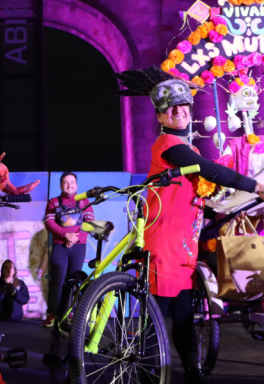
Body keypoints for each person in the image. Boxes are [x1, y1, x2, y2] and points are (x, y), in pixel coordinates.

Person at [116, 69, 264, 383]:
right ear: (160, 116)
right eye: (172, 108)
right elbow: (210, 172)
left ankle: (193, 371)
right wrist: (254, 186)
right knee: (156, 319)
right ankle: (147, 372)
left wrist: (231, 210)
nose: (181, 111)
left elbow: (196, 199)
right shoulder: (168, 145)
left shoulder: (192, 151)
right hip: (163, 245)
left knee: (183, 319)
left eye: (184, 106)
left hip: (184, 247)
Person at [42, 172, 94, 327]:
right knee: (57, 281)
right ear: (60, 185)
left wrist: (75, 237)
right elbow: (49, 223)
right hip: (60, 247)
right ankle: (53, 314)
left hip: (78, 247)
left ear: (76, 185)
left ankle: (69, 313)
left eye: (72, 182)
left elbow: (90, 223)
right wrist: (66, 235)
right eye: (65, 182)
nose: (69, 185)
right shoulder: (53, 202)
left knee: (73, 281)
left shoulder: (85, 201)